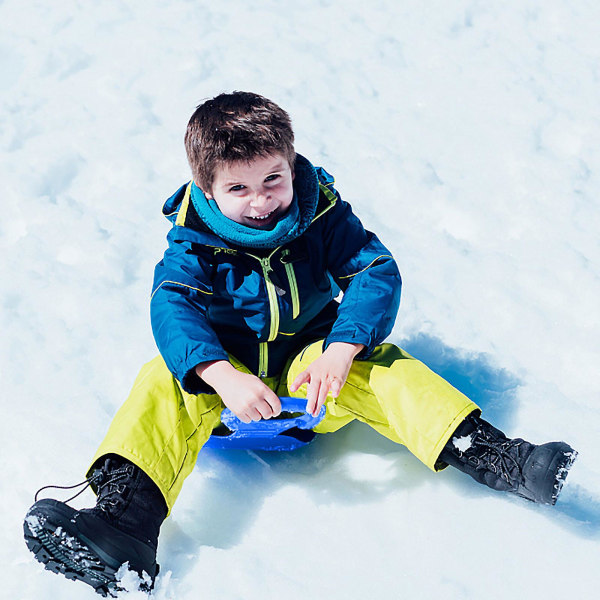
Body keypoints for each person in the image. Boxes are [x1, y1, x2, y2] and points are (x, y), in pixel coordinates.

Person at [23, 91, 577, 596]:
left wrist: (342, 348)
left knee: (382, 367)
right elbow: (173, 305)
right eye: (237, 188)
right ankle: (124, 527)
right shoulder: (194, 242)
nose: (261, 201)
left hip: (310, 383)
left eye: (272, 179)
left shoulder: (322, 216)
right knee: (162, 379)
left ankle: (497, 456)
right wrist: (220, 374)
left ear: (291, 165)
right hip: (226, 396)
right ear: (206, 187)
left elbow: (374, 270)